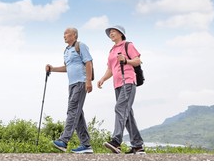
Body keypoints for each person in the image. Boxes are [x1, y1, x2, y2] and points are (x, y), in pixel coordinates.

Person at [97, 25, 145, 154]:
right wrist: (102, 78)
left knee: (120, 108)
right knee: (127, 114)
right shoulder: (112, 50)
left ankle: (116, 142)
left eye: (113, 31)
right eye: (110, 32)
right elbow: (110, 69)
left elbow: (137, 61)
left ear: (121, 33)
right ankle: (138, 146)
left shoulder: (127, 45)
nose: (111, 34)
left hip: (128, 81)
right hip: (117, 84)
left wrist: (126, 60)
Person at [45, 27, 94, 154]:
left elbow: (88, 63)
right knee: (77, 114)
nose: (64, 36)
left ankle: (64, 141)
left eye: (67, 33)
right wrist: (52, 69)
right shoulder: (66, 51)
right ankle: (86, 145)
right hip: (71, 85)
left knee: (72, 110)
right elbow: (68, 67)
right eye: (63, 34)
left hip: (81, 82)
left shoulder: (80, 46)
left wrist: (88, 81)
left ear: (74, 35)